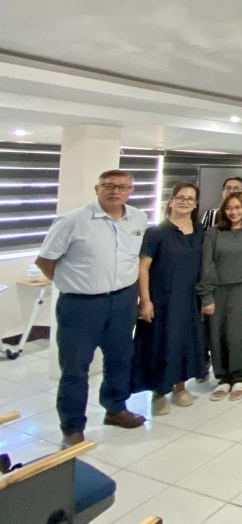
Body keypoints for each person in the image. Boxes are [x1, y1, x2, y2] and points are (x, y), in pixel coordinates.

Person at [35, 169, 149, 448]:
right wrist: (75, 283)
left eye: (123, 186)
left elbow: (134, 257)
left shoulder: (138, 218)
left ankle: (115, 408)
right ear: (97, 188)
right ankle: (72, 427)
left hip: (123, 300)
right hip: (81, 305)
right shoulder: (72, 220)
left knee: (120, 358)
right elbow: (46, 261)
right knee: (75, 368)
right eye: (109, 186)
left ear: (131, 190)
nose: (115, 191)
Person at [131, 182, 207, 416]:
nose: (185, 201)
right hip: (163, 298)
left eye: (190, 198)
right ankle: (158, 393)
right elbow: (143, 268)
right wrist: (145, 299)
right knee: (160, 343)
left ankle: (180, 387)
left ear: (195, 204)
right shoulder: (156, 232)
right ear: (171, 201)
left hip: (190, 298)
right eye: (181, 197)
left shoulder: (200, 231)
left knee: (186, 342)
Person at [199, 191, 242, 401]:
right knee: (216, 335)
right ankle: (223, 378)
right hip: (217, 289)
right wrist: (207, 296)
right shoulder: (213, 232)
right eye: (229, 208)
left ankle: (240, 376)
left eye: (238, 207)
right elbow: (207, 265)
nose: (233, 212)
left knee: (236, 335)